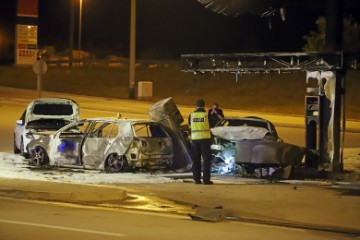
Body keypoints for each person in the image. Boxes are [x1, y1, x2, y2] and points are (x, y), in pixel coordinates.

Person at [188, 99, 213, 185]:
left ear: (196, 106)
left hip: (195, 140)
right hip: (205, 140)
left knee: (196, 160)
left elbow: (190, 126)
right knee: (206, 160)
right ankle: (206, 180)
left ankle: (196, 179)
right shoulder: (206, 115)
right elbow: (212, 126)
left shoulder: (191, 115)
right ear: (204, 106)